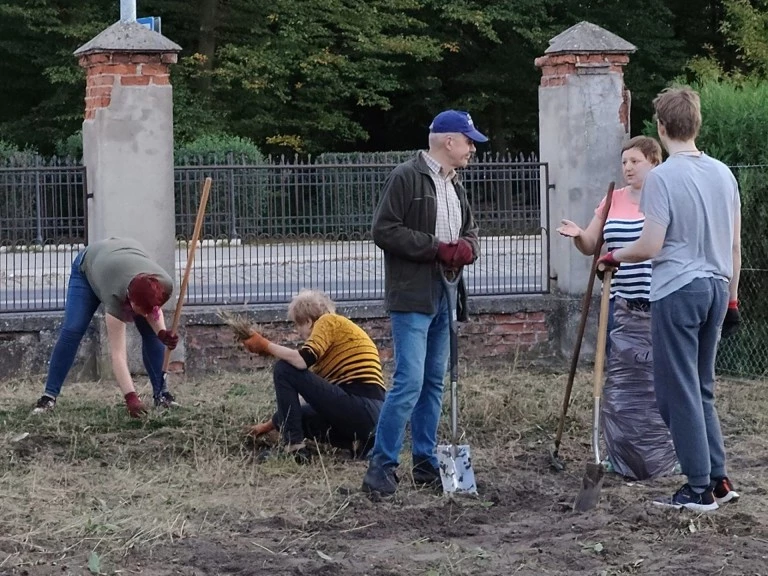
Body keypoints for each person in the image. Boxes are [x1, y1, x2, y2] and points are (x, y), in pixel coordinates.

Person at [598, 87, 742, 511]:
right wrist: (733, 299)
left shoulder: (662, 178)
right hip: (717, 288)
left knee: (674, 392)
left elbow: (650, 245)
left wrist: (613, 256)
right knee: (700, 388)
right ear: (696, 124)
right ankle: (718, 480)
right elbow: (735, 246)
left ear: (661, 128)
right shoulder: (722, 173)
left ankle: (697, 488)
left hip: (679, 290)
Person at [360, 110, 485, 496]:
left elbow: (471, 231)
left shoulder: (455, 185)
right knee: (410, 382)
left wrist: (467, 248)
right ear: (449, 141)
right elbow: (384, 229)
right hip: (413, 293)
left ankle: (426, 463)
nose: (472, 150)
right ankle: (381, 467)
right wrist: (436, 248)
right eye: (469, 142)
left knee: (433, 381)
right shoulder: (406, 177)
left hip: (446, 292)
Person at [557, 136, 678, 480]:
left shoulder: (666, 196)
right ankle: (621, 455)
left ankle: (665, 454)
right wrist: (579, 234)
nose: (627, 168)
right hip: (620, 306)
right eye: (624, 162)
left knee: (661, 384)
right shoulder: (612, 200)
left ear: (654, 162)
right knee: (620, 387)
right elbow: (592, 245)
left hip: (660, 303)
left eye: (635, 161)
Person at [33, 237, 180, 417]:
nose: (145, 314)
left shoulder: (164, 284)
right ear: (130, 301)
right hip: (89, 267)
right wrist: (131, 397)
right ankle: (48, 396)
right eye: (141, 310)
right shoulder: (115, 296)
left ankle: (162, 394)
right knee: (73, 330)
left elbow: (153, 311)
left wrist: (162, 333)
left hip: (122, 257)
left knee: (151, 335)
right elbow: (118, 353)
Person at [242, 289, 386, 463]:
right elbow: (300, 402)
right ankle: (356, 443)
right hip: (373, 418)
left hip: (360, 404)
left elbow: (300, 361)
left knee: (283, 368)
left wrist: (265, 345)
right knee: (299, 416)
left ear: (309, 321)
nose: (298, 333)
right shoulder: (333, 345)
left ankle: (294, 449)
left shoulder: (327, 321)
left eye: (298, 325)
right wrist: (268, 426)